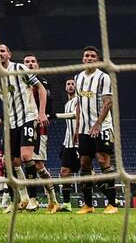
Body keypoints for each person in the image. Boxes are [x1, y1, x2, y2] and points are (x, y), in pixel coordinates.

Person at [0, 45, 52, 213]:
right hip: (11, 123)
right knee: (8, 162)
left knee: (27, 155)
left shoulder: (20, 68)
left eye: (3, 51)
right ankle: (21, 199)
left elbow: (41, 88)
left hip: (28, 118)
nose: (0, 54)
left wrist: (41, 112)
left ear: (9, 54)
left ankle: (34, 199)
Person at [0, 53, 58, 211]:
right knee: (16, 160)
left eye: (33, 61)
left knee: (38, 165)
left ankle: (52, 198)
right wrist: (2, 118)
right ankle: (25, 198)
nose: (30, 64)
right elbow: (12, 103)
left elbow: (48, 106)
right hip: (17, 125)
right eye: (27, 61)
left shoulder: (41, 83)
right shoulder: (17, 78)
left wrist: (42, 114)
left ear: (38, 64)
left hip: (38, 126)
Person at [74, 46, 118, 214]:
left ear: (98, 59)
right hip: (84, 129)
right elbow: (79, 105)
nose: (90, 58)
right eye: (87, 55)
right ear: (83, 59)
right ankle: (88, 205)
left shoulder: (103, 78)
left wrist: (98, 123)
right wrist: (77, 128)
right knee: (84, 163)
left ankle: (112, 204)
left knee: (102, 160)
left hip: (103, 126)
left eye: (93, 56)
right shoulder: (78, 78)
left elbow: (108, 102)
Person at [54, 78, 80, 211]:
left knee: (88, 172)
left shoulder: (78, 100)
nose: (70, 86)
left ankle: (111, 196)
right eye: (68, 84)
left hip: (78, 143)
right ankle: (67, 204)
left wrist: (76, 134)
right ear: (65, 88)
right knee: (64, 173)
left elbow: (77, 118)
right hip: (68, 143)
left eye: (72, 84)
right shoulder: (67, 104)